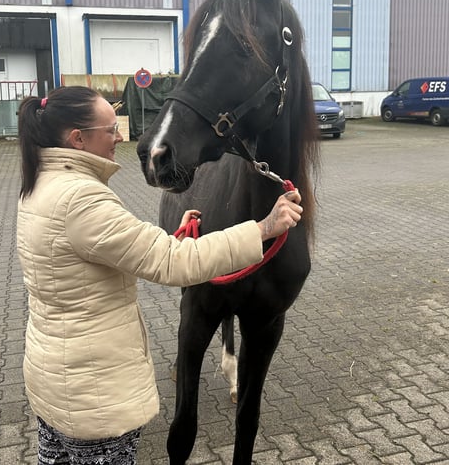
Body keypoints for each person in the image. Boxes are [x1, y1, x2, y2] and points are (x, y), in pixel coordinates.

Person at [16, 85, 303, 464]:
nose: (120, 136)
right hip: (93, 395)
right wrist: (264, 228)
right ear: (78, 139)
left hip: (55, 378)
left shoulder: (42, 186)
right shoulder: (82, 200)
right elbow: (170, 263)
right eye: (110, 129)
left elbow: (105, 248)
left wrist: (172, 235)